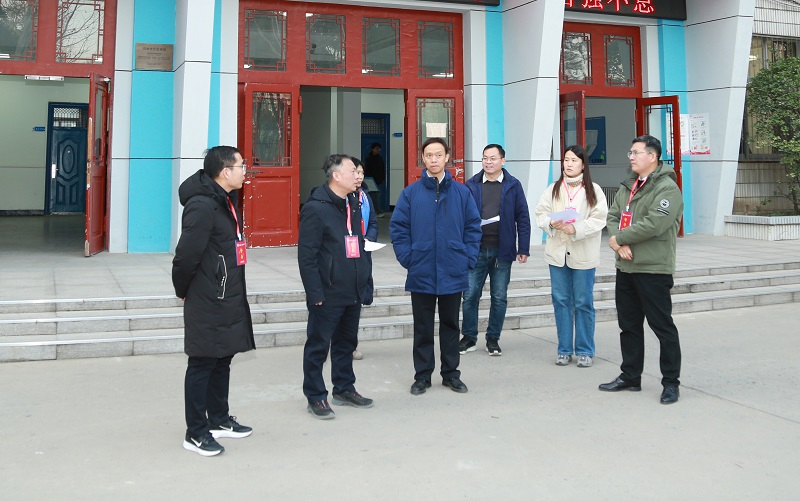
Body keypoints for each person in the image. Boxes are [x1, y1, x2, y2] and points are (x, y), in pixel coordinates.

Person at [172, 146, 255, 457]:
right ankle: (195, 432)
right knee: (203, 362)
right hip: (207, 295)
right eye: (241, 166)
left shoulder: (224, 200)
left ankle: (218, 419)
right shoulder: (202, 206)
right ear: (225, 171)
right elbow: (185, 256)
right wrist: (184, 290)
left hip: (227, 292)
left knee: (223, 358)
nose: (245, 171)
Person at [390, 138, 482, 395]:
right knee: (422, 327)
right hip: (422, 270)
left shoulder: (462, 193)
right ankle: (422, 376)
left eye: (438, 154)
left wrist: (468, 258)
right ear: (422, 158)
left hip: (453, 268)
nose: (433, 159)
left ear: (447, 157)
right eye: (429, 155)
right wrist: (408, 258)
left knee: (451, 326)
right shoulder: (411, 193)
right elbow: (399, 229)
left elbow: (473, 228)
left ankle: (451, 374)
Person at [599, 135, 684, 405]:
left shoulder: (667, 188)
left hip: (653, 268)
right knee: (629, 325)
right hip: (626, 266)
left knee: (662, 327)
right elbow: (614, 215)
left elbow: (655, 224)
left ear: (653, 156)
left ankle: (670, 383)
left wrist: (619, 239)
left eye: (636, 152)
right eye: (631, 152)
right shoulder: (629, 185)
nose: (631, 157)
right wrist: (618, 242)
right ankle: (630, 376)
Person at [298, 154, 375, 419]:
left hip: (352, 289)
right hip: (327, 291)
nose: (358, 176)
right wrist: (315, 293)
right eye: (353, 171)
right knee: (318, 347)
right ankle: (315, 396)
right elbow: (307, 256)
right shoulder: (315, 208)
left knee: (346, 343)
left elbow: (359, 245)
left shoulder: (353, 203)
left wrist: (365, 281)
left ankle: (344, 388)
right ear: (336, 176)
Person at [534, 145, 607, 368]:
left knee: (583, 302)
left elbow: (599, 219)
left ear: (583, 164)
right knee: (561, 301)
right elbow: (540, 213)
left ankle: (585, 350)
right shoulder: (554, 188)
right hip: (558, 255)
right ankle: (564, 349)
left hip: (583, 254)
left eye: (574, 160)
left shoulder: (593, 190)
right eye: (566, 159)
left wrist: (577, 228)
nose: (569, 164)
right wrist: (551, 222)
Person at [460, 144, 531, 356]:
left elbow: (523, 217)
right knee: (470, 296)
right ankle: (469, 337)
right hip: (476, 250)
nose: (488, 162)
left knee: (499, 297)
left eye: (492, 158)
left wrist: (523, 247)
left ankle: (493, 339)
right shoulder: (471, 185)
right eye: (485, 158)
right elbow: (461, 216)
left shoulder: (513, 185)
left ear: (503, 161)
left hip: (503, 250)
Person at [350, 157, 378, 361]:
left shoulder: (365, 197)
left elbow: (374, 222)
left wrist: (369, 237)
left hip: (363, 254)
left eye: (361, 173)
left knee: (356, 301)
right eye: (355, 173)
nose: (359, 177)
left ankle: (351, 345)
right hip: (345, 257)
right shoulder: (338, 197)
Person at [364, 142, 386, 216]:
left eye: (379, 149)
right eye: (376, 149)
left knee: (376, 196)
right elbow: (367, 169)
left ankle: (376, 211)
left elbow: (382, 169)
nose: (378, 150)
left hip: (378, 181)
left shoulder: (380, 158)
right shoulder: (368, 159)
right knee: (372, 196)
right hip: (370, 180)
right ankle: (375, 211)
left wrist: (382, 178)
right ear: (372, 149)